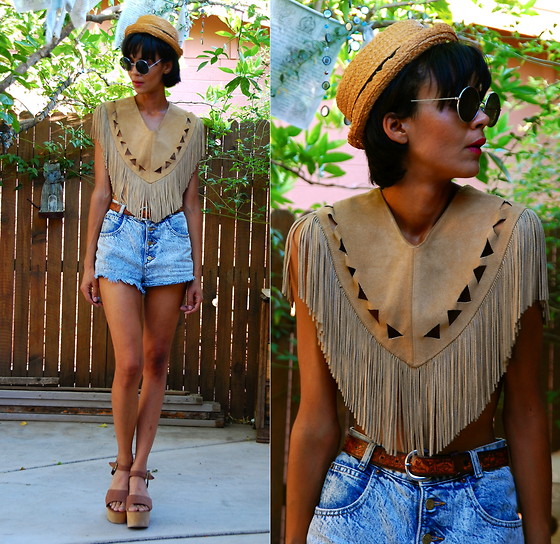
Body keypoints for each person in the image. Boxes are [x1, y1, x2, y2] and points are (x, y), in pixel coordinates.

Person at [283, 20, 551, 544]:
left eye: (486, 104)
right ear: (396, 125)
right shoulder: (317, 240)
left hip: (480, 507)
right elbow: (315, 418)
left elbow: (526, 409)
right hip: (356, 501)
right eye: (462, 102)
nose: (482, 121)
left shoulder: (516, 234)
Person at [80, 15, 205, 529]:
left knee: (156, 359)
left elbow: (194, 202)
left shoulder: (193, 128)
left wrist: (200, 270)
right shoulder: (107, 117)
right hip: (121, 237)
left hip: (173, 240)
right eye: (128, 61)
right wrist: (87, 261)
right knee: (128, 361)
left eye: (144, 61)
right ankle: (121, 462)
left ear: (167, 65)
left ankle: (140, 473)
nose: (134, 70)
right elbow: (101, 191)